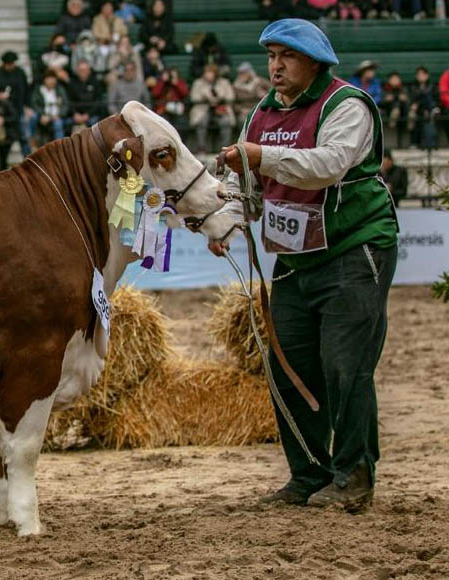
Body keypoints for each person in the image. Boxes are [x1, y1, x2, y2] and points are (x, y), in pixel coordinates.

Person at [213, 18, 398, 511]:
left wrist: (260, 157)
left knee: (345, 366)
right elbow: (246, 192)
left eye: (286, 56)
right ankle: (309, 475)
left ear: (314, 61)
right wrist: (227, 221)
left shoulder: (347, 105)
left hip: (355, 249)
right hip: (295, 261)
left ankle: (354, 475)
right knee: (287, 367)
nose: (275, 66)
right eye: (271, 56)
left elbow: (327, 165)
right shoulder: (259, 114)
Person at [0, 50, 31, 155]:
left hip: (18, 109)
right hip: (1, 112)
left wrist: (28, 106)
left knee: (23, 137)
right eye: (8, 64)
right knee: (1, 139)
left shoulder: (20, 73)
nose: (10, 66)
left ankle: (29, 161)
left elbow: (26, 90)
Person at [189, 63, 235, 153]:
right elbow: (193, 97)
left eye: (211, 72)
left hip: (220, 108)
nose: (208, 75)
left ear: (215, 73)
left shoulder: (224, 82)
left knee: (226, 122)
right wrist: (205, 96)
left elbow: (231, 97)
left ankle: (225, 148)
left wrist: (220, 97)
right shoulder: (198, 83)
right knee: (201, 122)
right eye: (207, 72)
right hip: (203, 108)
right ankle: (201, 147)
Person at [29, 70, 70, 145]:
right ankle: (32, 139)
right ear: (45, 80)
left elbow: (65, 105)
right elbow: (34, 104)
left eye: (53, 79)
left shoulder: (60, 90)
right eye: (49, 79)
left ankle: (59, 146)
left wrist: (59, 114)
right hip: (42, 115)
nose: (51, 81)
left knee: (58, 124)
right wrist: (41, 114)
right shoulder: (39, 90)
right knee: (33, 117)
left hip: (56, 116)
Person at [407, 66, 439, 148]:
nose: (421, 76)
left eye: (423, 74)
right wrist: (412, 105)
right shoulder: (412, 87)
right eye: (419, 75)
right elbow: (410, 100)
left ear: (427, 75)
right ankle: (414, 142)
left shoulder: (433, 86)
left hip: (428, 110)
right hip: (416, 110)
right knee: (413, 116)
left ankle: (431, 143)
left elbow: (436, 99)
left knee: (429, 116)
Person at [232, 62, 271, 129]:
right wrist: (241, 110)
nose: (242, 75)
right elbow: (233, 103)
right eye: (240, 73)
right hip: (244, 110)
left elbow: (273, 91)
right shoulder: (235, 86)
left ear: (250, 73)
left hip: (260, 108)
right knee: (243, 120)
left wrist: (265, 94)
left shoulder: (260, 81)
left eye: (244, 73)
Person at [70, 59, 107, 129]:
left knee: (96, 123)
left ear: (89, 71)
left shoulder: (96, 82)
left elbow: (98, 101)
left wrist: (88, 115)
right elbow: (69, 100)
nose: (82, 72)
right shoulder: (72, 83)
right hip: (76, 115)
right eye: (81, 70)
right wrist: (75, 113)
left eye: (84, 70)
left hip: (92, 115)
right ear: (77, 71)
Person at [151, 66, 189, 134]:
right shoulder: (162, 83)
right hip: (163, 110)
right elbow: (155, 94)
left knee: (181, 123)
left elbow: (185, 94)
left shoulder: (180, 82)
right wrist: (163, 82)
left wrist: (176, 84)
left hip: (177, 109)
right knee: (162, 123)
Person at [379, 71, 408, 147]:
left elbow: (409, 102)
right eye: (393, 79)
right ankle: (393, 118)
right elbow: (380, 102)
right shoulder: (385, 89)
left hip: (403, 113)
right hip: (388, 112)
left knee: (399, 110)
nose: (395, 81)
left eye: (397, 79)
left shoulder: (403, 89)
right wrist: (386, 100)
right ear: (389, 80)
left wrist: (405, 100)